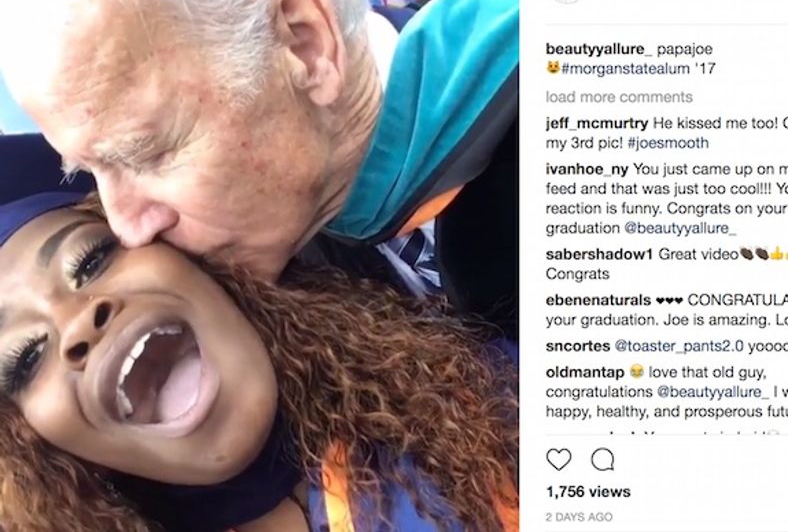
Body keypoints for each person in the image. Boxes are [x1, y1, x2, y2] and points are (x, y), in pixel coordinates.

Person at [0, 0, 519, 336]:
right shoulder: (268, 308)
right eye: (90, 171)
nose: (127, 229)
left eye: (147, 154)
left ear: (304, 44)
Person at [0, 193, 518, 532]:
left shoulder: (487, 402)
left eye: (90, 261)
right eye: (26, 357)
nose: (77, 324)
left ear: (204, 265)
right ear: (36, 447)